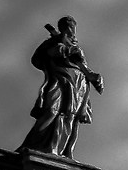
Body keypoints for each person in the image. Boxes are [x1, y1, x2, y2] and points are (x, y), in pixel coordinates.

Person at [19, 16, 102, 158]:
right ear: (63, 29)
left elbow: (84, 68)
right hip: (60, 79)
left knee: (72, 118)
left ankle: (64, 152)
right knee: (52, 111)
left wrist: (94, 76)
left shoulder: (76, 47)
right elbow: (37, 59)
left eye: (73, 32)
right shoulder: (53, 43)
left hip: (79, 83)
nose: (71, 34)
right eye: (69, 31)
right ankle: (33, 146)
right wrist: (65, 50)